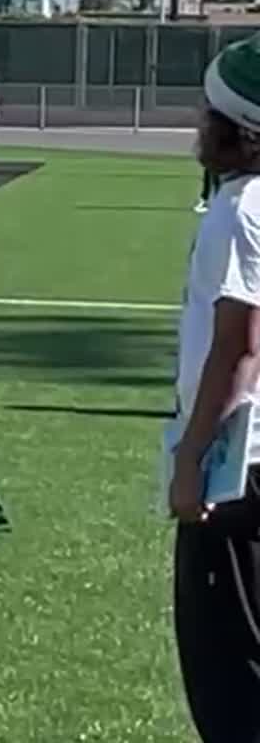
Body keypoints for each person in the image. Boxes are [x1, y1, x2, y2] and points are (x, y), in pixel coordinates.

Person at [168, 39, 260, 741]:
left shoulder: (242, 210)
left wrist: (194, 454)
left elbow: (238, 344)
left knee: (232, 676)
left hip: (244, 471)